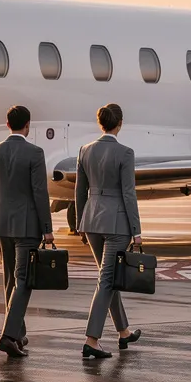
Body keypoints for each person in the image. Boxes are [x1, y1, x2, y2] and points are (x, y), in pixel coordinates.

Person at [0, 105, 53, 358]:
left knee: (10, 279)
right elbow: (40, 193)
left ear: (7, 124)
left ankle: (18, 334)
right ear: (28, 125)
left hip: (0, 224)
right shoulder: (35, 153)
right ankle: (8, 336)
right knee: (24, 281)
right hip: (27, 225)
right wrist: (47, 229)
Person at [74, 103, 143, 359]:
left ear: (100, 123)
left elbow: (79, 191)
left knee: (108, 276)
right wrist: (136, 230)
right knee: (107, 280)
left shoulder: (85, 151)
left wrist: (81, 223)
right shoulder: (125, 153)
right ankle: (91, 340)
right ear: (120, 123)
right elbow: (128, 193)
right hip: (117, 224)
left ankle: (123, 332)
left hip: (92, 221)